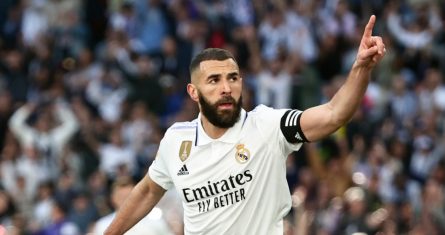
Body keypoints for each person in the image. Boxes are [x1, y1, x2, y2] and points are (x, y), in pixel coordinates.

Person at [105, 15, 386, 235]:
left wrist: (360, 68)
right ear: (194, 92)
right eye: (214, 80)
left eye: (233, 78)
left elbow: (334, 114)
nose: (226, 88)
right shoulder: (176, 141)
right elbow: (147, 190)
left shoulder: (267, 126)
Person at [93, 177, 173, 235]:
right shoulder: (102, 225)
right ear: (112, 198)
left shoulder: (156, 222)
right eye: (121, 197)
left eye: (128, 197)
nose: (125, 201)